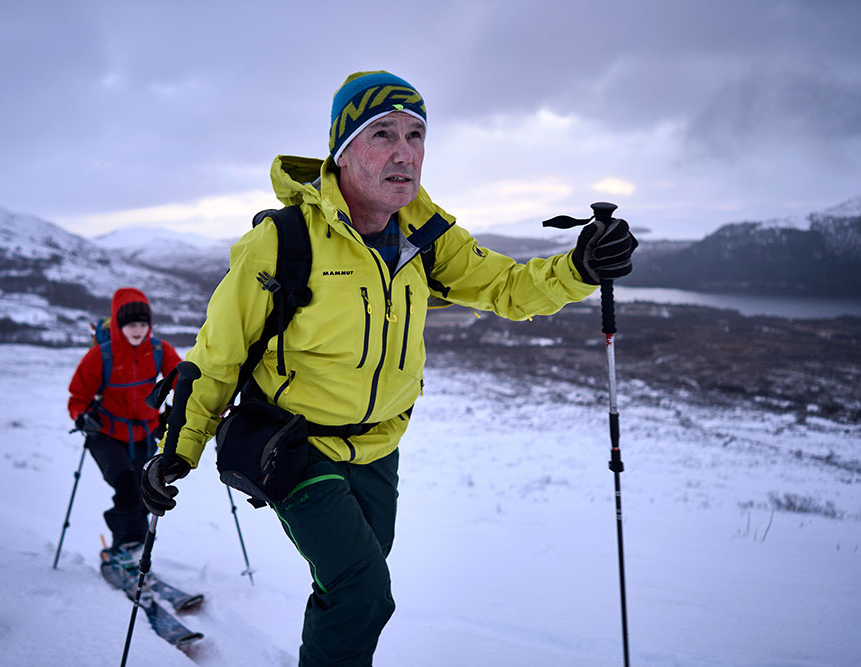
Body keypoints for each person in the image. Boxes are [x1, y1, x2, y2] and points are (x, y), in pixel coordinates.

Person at [140, 71, 638, 666]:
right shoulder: (283, 243)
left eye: (416, 134)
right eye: (382, 134)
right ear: (343, 151)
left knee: (351, 589)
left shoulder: (425, 234)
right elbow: (217, 356)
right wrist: (180, 448)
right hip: (296, 449)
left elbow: (504, 286)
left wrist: (580, 267)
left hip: (380, 449)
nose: (405, 152)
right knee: (362, 590)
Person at [67, 287, 182, 565]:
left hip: (145, 431)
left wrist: (193, 401)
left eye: (143, 324)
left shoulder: (158, 350)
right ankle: (123, 546)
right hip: (105, 433)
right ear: (119, 323)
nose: (138, 330)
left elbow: (182, 380)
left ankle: (134, 547)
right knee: (126, 487)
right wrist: (83, 417)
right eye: (131, 324)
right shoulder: (101, 356)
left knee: (146, 490)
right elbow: (77, 398)